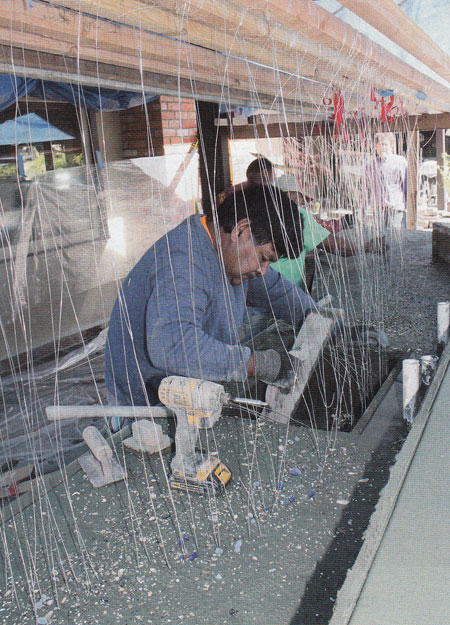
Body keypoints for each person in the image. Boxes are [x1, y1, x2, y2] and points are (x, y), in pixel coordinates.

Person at [105, 185, 317, 425]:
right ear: (241, 230)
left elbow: (277, 291)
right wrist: (258, 363)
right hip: (148, 412)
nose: (263, 270)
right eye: (264, 258)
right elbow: (173, 346)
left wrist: (320, 319)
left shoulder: (229, 251)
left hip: (189, 393)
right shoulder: (183, 261)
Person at [272, 174, 385, 289]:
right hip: (283, 289)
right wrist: (369, 247)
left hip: (266, 283)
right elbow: (338, 247)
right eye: (301, 198)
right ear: (290, 194)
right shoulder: (296, 213)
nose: (303, 203)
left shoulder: (267, 210)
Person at [365, 132, 407, 230]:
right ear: (375, 146)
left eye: (385, 144)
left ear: (391, 146)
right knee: (379, 238)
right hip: (378, 209)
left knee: (396, 237)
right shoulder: (370, 165)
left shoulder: (400, 162)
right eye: (379, 144)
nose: (382, 147)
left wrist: (407, 206)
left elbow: (407, 185)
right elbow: (367, 187)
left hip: (395, 207)